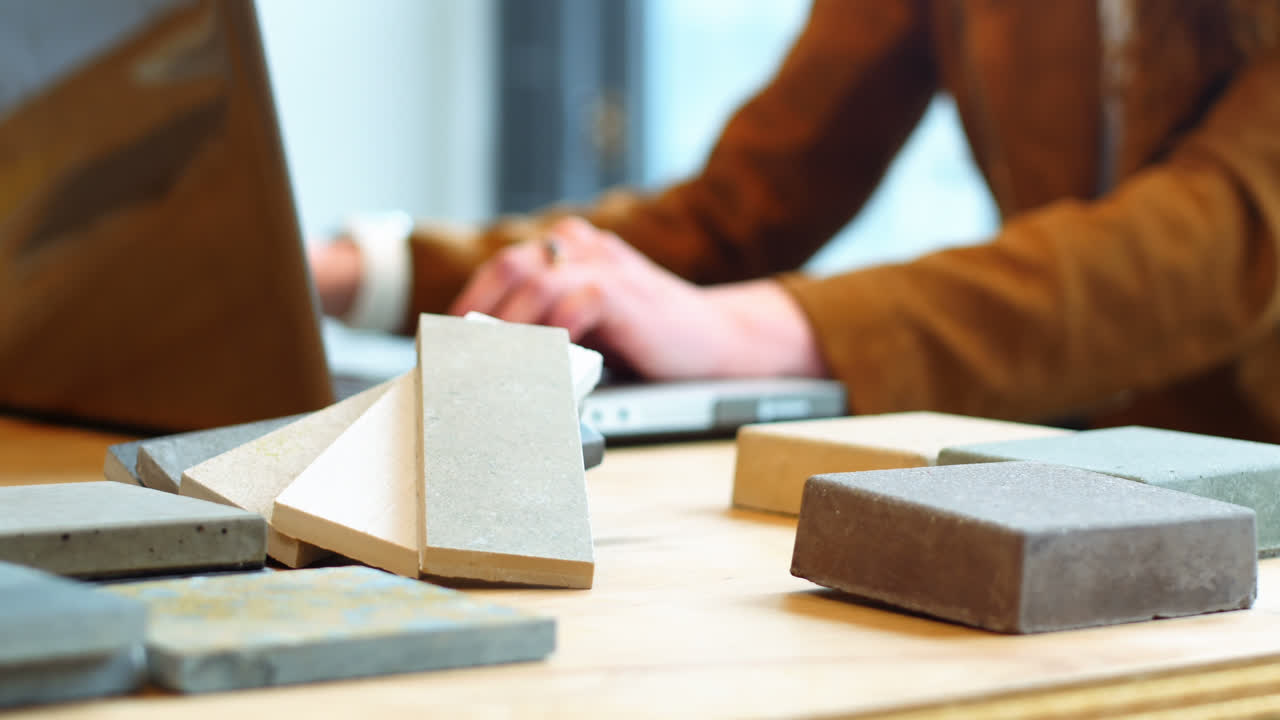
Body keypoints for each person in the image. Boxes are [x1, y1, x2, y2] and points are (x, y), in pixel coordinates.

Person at [310, 0, 1280, 442]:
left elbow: (1216, 238)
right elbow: (740, 208)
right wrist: (343, 271)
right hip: (1097, 484)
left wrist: (747, 327)